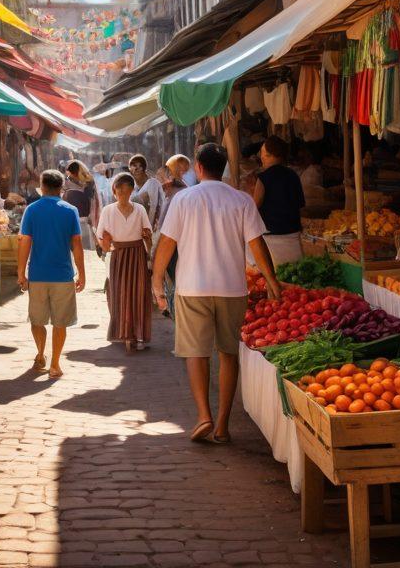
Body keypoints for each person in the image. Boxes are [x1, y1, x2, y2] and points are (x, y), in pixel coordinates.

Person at [151, 142, 281, 445]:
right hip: (232, 289)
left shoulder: (184, 199)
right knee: (228, 354)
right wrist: (272, 282)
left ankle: (203, 415)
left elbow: (167, 244)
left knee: (195, 353)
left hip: (192, 288)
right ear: (223, 167)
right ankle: (222, 425)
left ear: (198, 167)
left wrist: (157, 282)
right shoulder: (242, 200)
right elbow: (257, 245)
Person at [18, 169, 86, 379]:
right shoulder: (70, 210)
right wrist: (82, 273)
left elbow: (25, 242)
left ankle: (41, 353)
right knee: (60, 322)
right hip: (63, 275)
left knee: (37, 320)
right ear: (61, 187)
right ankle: (55, 364)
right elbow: (77, 244)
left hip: (37, 274)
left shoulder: (32, 209)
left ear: (42, 186)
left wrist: (21, 272)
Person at [96, 172, 153, 351]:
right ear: (114, 192)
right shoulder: (108, 210)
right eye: (119, 192)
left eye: (126, 192)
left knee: (139, 294)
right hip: (118, 256)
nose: (123, 195)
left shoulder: (140, 209)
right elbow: (101, 237)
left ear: (132, 191)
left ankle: (140, 336)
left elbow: (147, 234)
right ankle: (123, 333)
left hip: (137, 255)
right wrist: (105, 244)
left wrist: (148, 240)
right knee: (119, 293)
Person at [253, 135, 305, 265]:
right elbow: (300, 204)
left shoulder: (263, 178)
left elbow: (254, 206)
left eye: (263, 154)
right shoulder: (293, 176)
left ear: (271, 155)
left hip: (272, 236)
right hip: (293, 234)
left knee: (278, 275)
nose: (261, 157)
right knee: (294, 273)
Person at [64, 160, 100, 250]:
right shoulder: (86, 184)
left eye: (69, 175)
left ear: (74, 174)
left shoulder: (87, 185)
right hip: (83, 224)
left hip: (83, 224)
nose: (68, 178)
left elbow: (93, 206)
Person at [129, 154, 164, 230]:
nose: (137, 169)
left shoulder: (152, 183)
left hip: (154, 227)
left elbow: (153, 206)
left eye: (140, 166)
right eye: (134, 166)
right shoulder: (133, 187)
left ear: (144, 168)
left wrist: (148, 228)